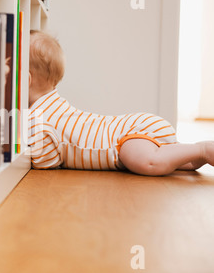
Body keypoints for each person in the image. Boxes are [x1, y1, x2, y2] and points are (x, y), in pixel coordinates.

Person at [28, 30, 214, 176]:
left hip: (130, 134)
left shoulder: (41, 119)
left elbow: (46, 160)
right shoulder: (53, 107)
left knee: (146, 161)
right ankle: (192, 155)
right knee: (176, 163)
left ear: (26, 80)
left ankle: (202, 149)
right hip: (135, 128)